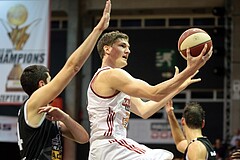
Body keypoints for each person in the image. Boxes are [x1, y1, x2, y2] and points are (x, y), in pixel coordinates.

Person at [86, 29, 212, 160]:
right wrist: (190, 69)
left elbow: (144, 111)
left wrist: (178, 87)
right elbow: (154, 93)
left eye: (128, 47)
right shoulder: (111, 74)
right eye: (122, 46)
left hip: (102, 149)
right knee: (164, 156)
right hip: (111, 145)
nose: (128, 51)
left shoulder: (115, 82)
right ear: (107, 49)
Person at [16, 0, 111, 159]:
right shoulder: (33, 103)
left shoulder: (46, 116)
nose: (54, 84)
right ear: (42, 85)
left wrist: (63, 117)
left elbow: (83, 138)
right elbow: (73, 67)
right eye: (50, 80)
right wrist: (98, 29)